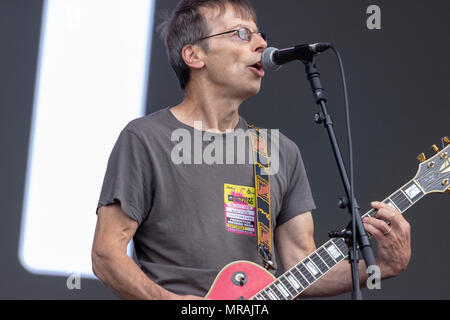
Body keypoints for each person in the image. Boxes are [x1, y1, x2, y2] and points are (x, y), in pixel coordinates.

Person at [91, 0, 411, 300]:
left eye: (260, 34)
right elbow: (107, 254)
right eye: (242, 34)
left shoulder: (279, 152)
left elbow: (301, 267)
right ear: (194, 55)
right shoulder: (145, 138)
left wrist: (379, 269)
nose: (261, 44)